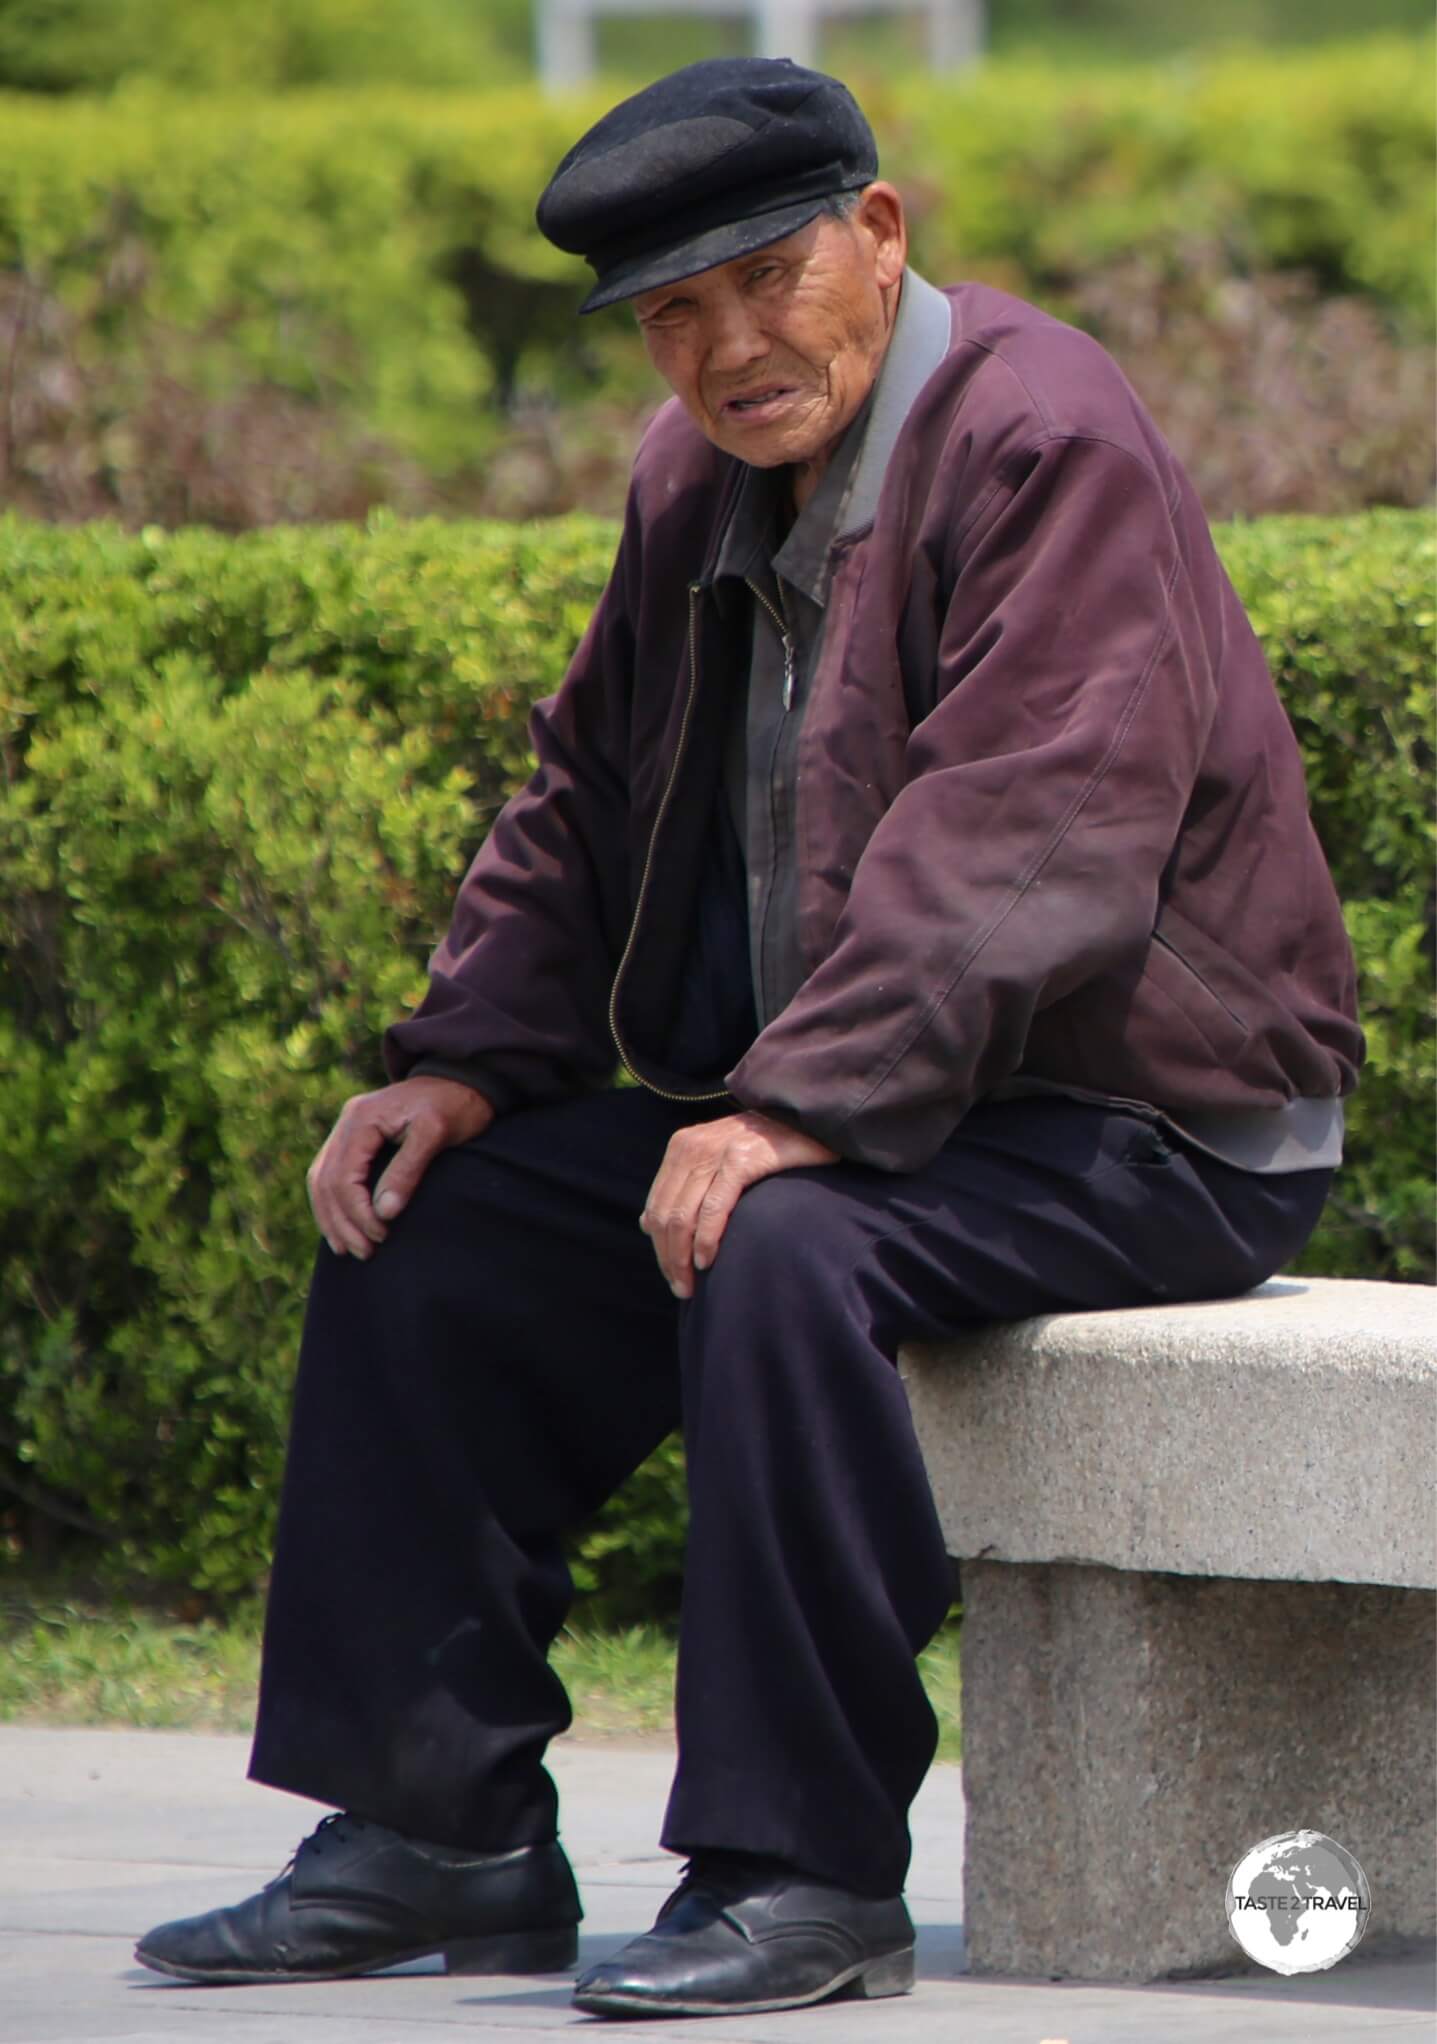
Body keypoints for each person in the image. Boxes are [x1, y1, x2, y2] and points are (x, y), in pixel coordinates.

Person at [134, 56, 1362, 2020]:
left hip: (1152, 1118)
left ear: (877, 237)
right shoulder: (689, 483)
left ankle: (798, 1871)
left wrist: (792, 1103)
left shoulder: (1043, 435)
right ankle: (432, 1819)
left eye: (763, 277)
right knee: (435, 1221)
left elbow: (1026, 832)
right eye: (671, 314)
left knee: (788, 1239)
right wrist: (462, 1058)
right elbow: (586, 802)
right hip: (893, 1094)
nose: (723, 345)